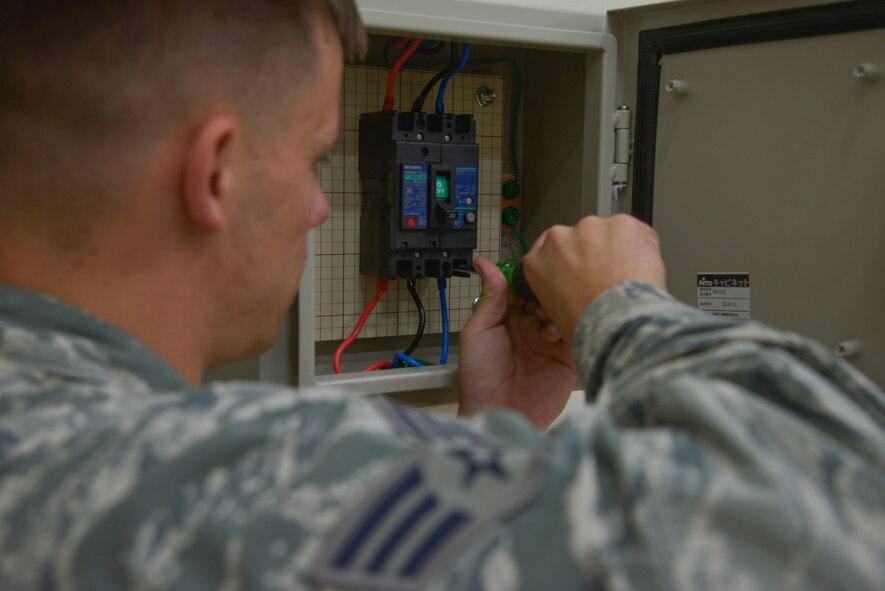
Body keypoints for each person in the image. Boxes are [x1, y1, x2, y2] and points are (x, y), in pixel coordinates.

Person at [0, 0, 882, 589]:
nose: (317, 205)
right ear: (218, 174)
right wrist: (626, 305)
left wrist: (484, 445)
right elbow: (839, 518)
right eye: (313, 158)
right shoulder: (209, 473)